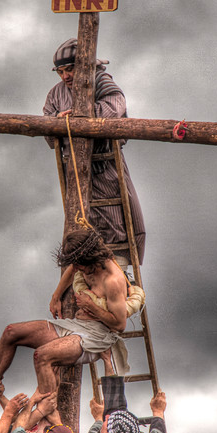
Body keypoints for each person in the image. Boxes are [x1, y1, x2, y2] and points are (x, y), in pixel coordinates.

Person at [43, 37, 146, 266]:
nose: (65, 76)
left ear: (83, 66)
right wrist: (58, 123)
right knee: (79, 220)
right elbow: (47, 128)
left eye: (70, 69)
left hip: (105, 164)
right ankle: (84, 273)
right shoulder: (55, 94)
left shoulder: (101, 81)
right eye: (61, 72)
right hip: (74, 169)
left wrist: (80, 116)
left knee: (115, 218)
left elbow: (114, 106)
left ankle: (120, 269)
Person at [0, 229, 130, 393]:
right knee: (11, 332)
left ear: (90, 258)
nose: (76, 268)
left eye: (79, 264)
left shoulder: (113, 280)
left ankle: (48, 415)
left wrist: (91, 307)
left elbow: (120, 325)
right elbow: (72, 269)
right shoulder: (85, 264)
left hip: (97, 336)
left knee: (42, 356)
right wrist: (56, 297)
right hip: (76, 325)